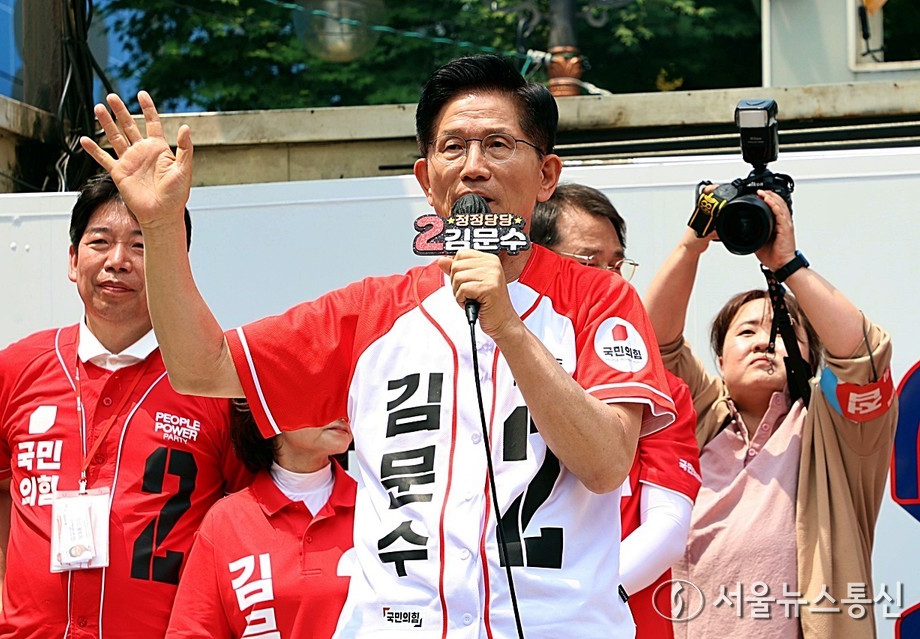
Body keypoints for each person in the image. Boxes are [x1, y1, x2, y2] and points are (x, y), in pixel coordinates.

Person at [80, 54, 679, 638]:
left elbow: (607, 465)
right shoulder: (371, 312)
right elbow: (201, 366)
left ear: (546, 175)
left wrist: (509, 329)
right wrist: (161, 226)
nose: (473, 167)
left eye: (498, 145)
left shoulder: (598, 298)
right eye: (452, 147)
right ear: (425, 179)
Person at [0, 174, 253, 639]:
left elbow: (254, 520)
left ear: (174, 267)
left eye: (141, 246)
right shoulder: (15, 369)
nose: (117, 261)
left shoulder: (215, 384)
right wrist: (0, 609)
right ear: (73, 259)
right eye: (100, 242)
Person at [643, 188, 897, 638]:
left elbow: (864, 356)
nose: (765, 341)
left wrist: (788, 265)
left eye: (784, 332)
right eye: (746, 332)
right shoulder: (696, 416)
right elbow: (653, 344)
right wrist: (691, 243)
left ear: (809, 357)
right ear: (719, 360)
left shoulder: (837, 433)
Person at [532, 183, 702, 639]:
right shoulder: (481, 372)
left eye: (617, 264)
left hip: (619, 620)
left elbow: (667, 529)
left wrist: (572, 600)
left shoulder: (662, 389)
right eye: (590, 263)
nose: (612, 280)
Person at [166, 401, 356, 638]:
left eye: (345, 392)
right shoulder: (225, 522)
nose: (342, 408)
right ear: (268, 405)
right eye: (322, 392)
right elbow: (192, 632)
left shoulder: (379, 511)